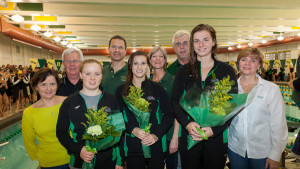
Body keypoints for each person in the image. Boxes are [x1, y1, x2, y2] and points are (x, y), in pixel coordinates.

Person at [171, 24, 237, 169]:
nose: (201, 44)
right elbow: (175, 102)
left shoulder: (226, 70)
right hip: (189, 135)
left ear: (213, 41)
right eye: (196, 41)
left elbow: (231, 105)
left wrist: (214, 130)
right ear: (192, 44)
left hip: (215, 138)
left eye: (206, 40)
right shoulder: (183, 71)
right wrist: (187, 124)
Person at [228, 47, 288, 169]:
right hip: (235, 149)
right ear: (238, 63)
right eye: (244, 59)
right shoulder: (229, 88)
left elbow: (279, 124)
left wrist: (275, 154)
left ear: (259, 65)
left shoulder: (270, 89)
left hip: (262, 152)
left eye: (253, 60)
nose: (247, 64)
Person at [56, 59, 123, 169]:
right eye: (88, 74)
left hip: (108, 161)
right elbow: (61, 132)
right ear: (81, 75)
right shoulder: (69, 102)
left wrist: (119, 161)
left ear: (102, 76)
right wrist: (79, 150)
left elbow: (119, 132)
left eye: (97, 74)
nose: (93, 78)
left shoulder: (111, 100)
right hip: (79, 162)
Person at [116, 51, 173, 169]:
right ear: (130, 66)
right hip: (133, 146)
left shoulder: (158, 88)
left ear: (148, 66)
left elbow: (168, 115)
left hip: (155, 145)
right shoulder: (121, 91)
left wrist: (156, 135)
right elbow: (117, 119)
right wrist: (132, 129)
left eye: (143, 63)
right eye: (136, 63)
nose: (139, 67)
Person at [22, 68, 70, 169]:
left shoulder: (68, 102)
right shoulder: (29, 113)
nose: (49, 88)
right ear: (36, 87)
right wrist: (39, 158)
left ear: (57, 85)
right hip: (49, 163)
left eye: (52, 84)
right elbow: (29, 142)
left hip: (74, 159)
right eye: (43, 84)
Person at [149, 46, 179, 169]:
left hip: (170, 134)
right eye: (154, 56)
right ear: (150, 60)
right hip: (153, 135)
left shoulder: (173, 80)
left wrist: (175, 137)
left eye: (161, 56)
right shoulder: (146, 82)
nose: (157, 59)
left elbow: (178, 110)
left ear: (165, 60)